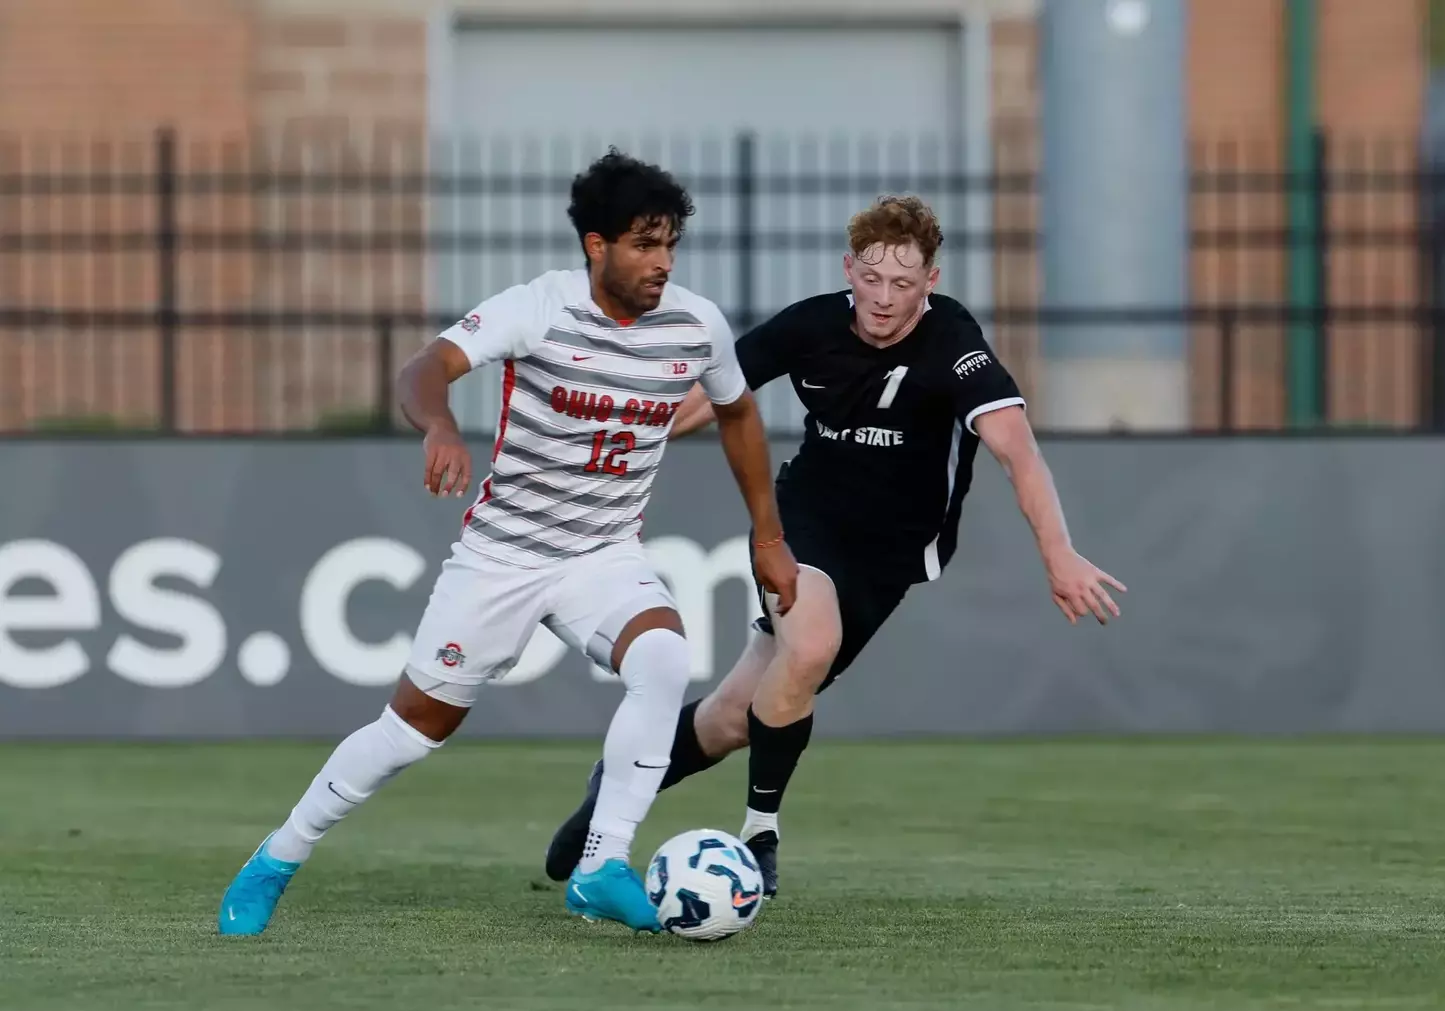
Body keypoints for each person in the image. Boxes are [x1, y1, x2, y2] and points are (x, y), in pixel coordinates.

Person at [217, 150, 798, 936]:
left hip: (603, 554)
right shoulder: (539, 309)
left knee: (662, 658)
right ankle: (276, 858)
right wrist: (441, 424)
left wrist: (768, 533)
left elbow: (736, 414)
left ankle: (601, 866)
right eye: (643, 245)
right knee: (409, 733)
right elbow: (426, 368)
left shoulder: (696, 325)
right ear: (597, 246)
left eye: (669, 246)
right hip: (503, 558)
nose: (661, 263)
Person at [543, 194, 1124, 898]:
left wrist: (1058, 555)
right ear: (849, 268)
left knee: (734, 719)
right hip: (802, 520)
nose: (884, 299)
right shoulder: (811, 325)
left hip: (891, 558)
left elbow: (1018, 453)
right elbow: (711, 397)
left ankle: (613, 790)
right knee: (810, 645)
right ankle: (760, 833)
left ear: (930, 283)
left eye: (903, 284)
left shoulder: (955, 347)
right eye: (871, 279)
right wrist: (621, 452)